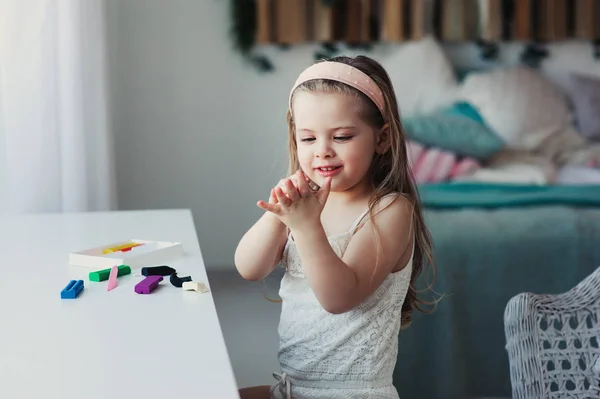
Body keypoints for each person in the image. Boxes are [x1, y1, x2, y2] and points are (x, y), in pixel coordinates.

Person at [234, 55, 437, 399]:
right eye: (309, 139)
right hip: (293, 388)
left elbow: (338, 297)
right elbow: (249, 268)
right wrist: (279, 213)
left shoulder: (389, 210)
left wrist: (305, 225)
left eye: (341, 137)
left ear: (382, 139)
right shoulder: (304, 203)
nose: (323, 152)